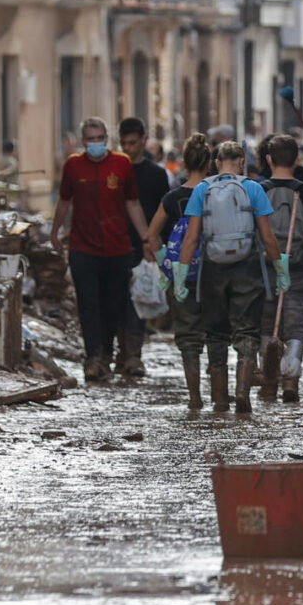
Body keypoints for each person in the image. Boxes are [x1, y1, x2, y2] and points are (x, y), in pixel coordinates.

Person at [174, 140, 285, 414]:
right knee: (247, 330)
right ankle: (242, 391)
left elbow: (191, 238)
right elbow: (268, 236)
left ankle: (220, 399)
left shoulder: (202, 190)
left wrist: (180, 275)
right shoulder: (253, 188)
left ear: (215, 162)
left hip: (213, 267)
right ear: (242, 162)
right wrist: (280, 269)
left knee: (216, 332)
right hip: (247, 265)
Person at [53, 117, 151, 383]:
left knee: (113, 305)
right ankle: (93, 358)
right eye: (90, 139)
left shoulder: (121, 164)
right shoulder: (73, 166)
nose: (95, 144)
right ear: (83, 141)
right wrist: (55, 232)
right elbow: (64, 201)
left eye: (100, 139)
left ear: (106, 139)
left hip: (117, 248)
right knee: (87, 305)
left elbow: (132, 204)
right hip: (83, 247)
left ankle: (108, 354)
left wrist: (146, 238)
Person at [145, 133, 215, 410]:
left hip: (181, 276)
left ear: (184, 162)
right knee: (216, 334)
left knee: (188, 337)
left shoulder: (173, 198)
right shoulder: (216, 193)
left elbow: (152, 235)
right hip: (215, 273)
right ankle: (221, 396)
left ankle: (195, 396)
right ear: (210, 163)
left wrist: (166, 265)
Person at [257, 134, 303, 403]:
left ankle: (269, 384)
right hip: (297, 269)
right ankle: (291, 381)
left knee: (266, 327)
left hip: (265, 270)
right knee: (296, 328)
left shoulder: (258, 190)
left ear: (269, 159)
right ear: (297, 159)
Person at [115, 117, 171, 378]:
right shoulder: (114, 171)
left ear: (144, 140)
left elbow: (165, 211)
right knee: (116, 300)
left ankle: (133, 355)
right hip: (115, 244)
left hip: (144, 247)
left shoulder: (156, 174)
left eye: (133, 142)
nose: (129, 148)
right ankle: (120, 351)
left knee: (138, 299)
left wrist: (160, 246)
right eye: (124, 143)